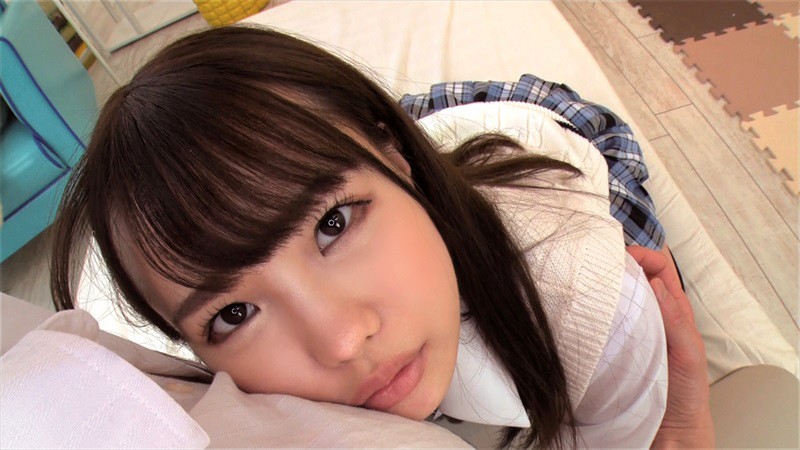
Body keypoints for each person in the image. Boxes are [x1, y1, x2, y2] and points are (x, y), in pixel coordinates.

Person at [48, 25, 707, 448]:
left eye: (332, 224)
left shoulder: (590, 300)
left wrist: (682, 426)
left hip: (543, 139)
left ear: (396, 159)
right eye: (234, 314)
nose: (341, 339)